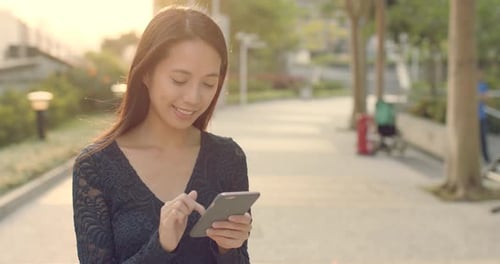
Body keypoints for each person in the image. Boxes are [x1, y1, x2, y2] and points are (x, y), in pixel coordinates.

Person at [72, 5, 253, 263]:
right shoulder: (95, 167)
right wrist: (161, 246)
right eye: (179, 80)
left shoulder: (228, 157)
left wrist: (229, 248)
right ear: (146, 73)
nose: (193, 98)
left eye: (208, 84)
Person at [478, 68, 491, 163]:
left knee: (483, 139)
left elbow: (487, 97)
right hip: (472, 119)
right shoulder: (470, 84)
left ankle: (486, 158)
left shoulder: (484, 85)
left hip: (481, 116)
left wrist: (479, 96)